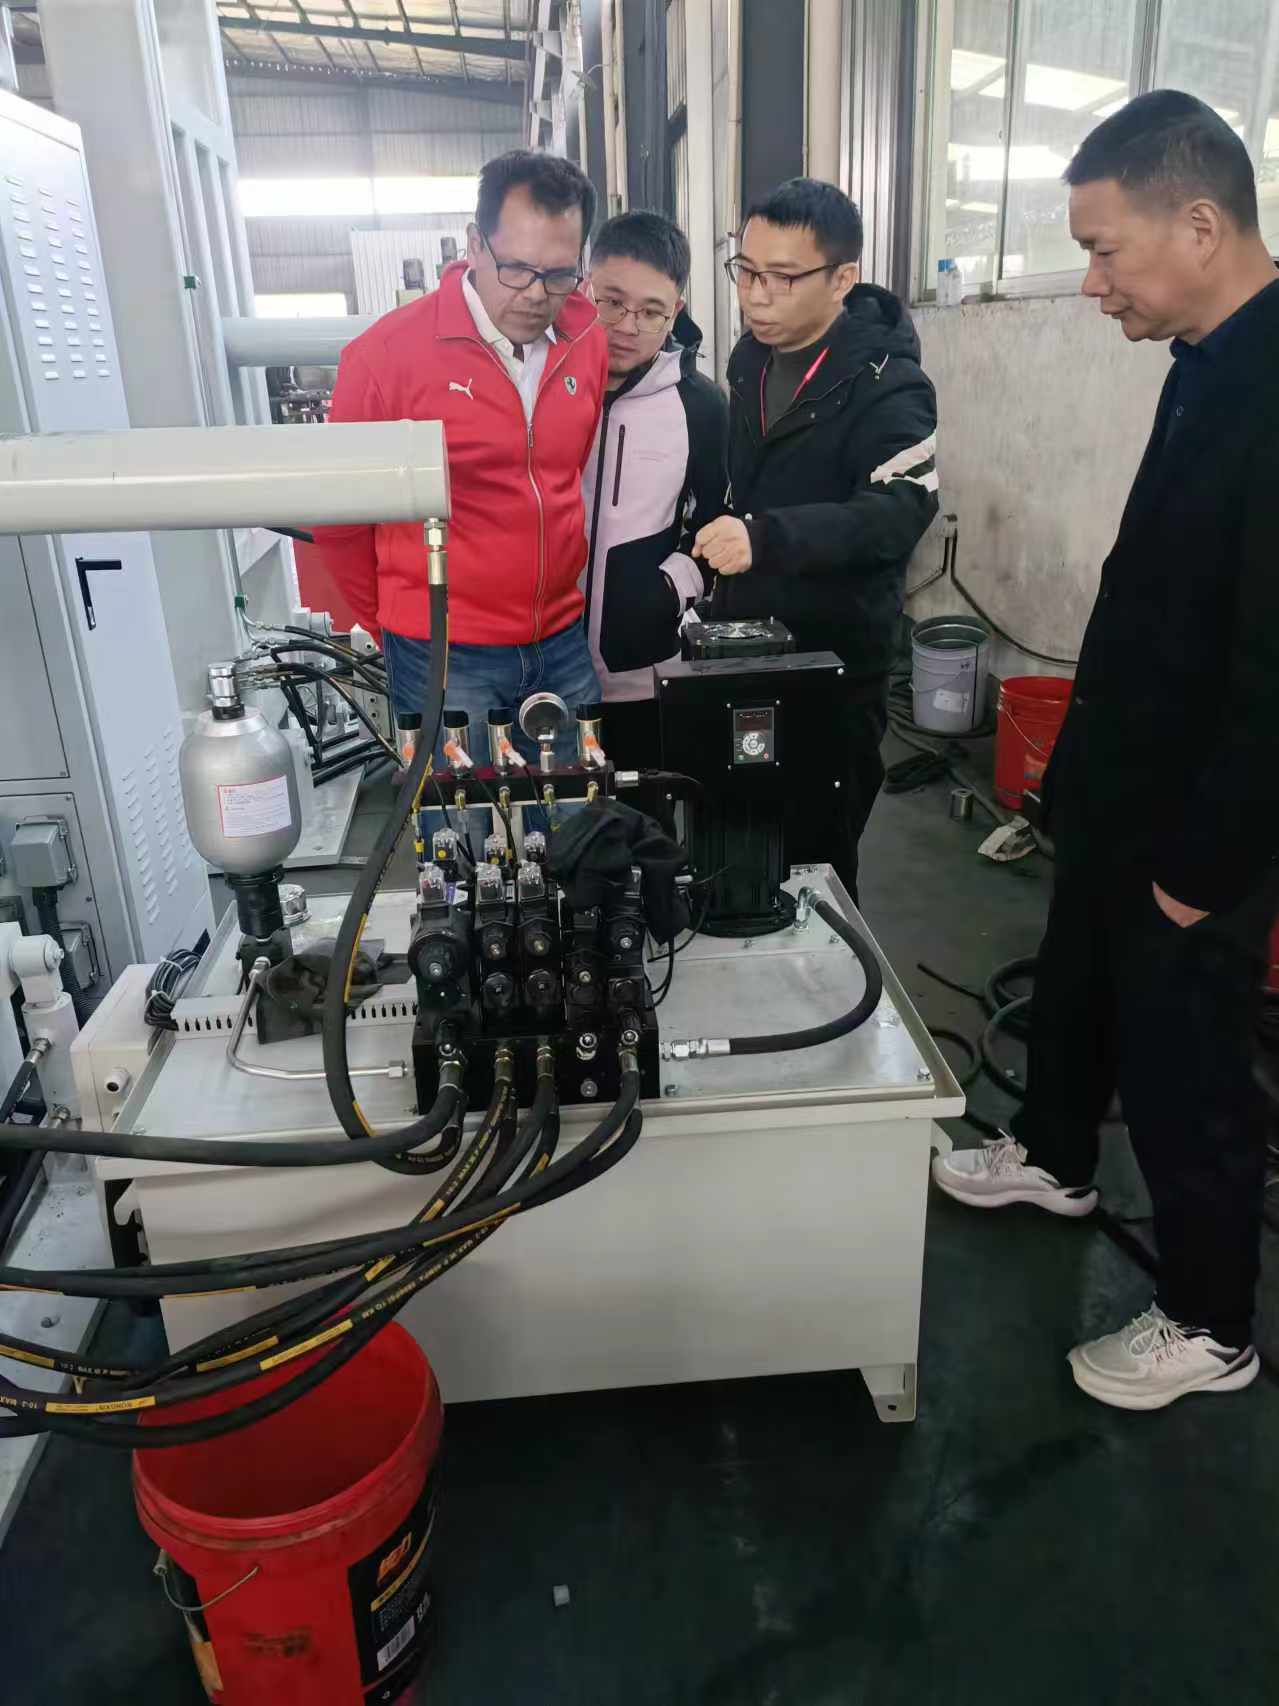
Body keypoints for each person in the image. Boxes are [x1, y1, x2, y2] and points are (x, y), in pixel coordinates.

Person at [932, 91, 1279, 1412]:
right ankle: (1053, 1152)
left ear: (1197, 226)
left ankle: (1208, 1319)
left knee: (1187, 1058)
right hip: (1124, 773)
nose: (1089, 284)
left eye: (1101, 251)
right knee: (1076, 974)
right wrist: (1075, 768)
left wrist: (1203, 867)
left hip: (1202, 810)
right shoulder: (1202, 356)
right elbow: (1150, 591)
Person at [314, 149, 607, 763]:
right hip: (445, 655)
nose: (537, 295)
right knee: (466, 821)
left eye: (559, 275)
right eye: (517, 269)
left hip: (562, 641)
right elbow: (338, 523)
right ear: (475, 244)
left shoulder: (585, 339)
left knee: (579, 811)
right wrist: (401, 623)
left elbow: (566, 473)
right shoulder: (385, 358)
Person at [692, 178, 938, 901]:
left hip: (833, 665)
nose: (756, 296)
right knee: (738, 834)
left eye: (783, 278)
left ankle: (827, 970)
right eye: (746, 271)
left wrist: (765, 538)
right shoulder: (750, 360)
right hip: (746, 645)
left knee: (816, 860)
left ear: (842, 279)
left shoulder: (890, 385)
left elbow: (899, 511)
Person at [579, 211, 728, 769]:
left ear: (676, 311)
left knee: (642, 813)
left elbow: (718, 521)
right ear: (585, 288)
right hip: (543, 669)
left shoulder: (701, 406)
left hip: (644, 676)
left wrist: (668, 589)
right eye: (612, 302)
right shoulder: (546, 386)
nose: (628, 326)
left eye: (651, 311)